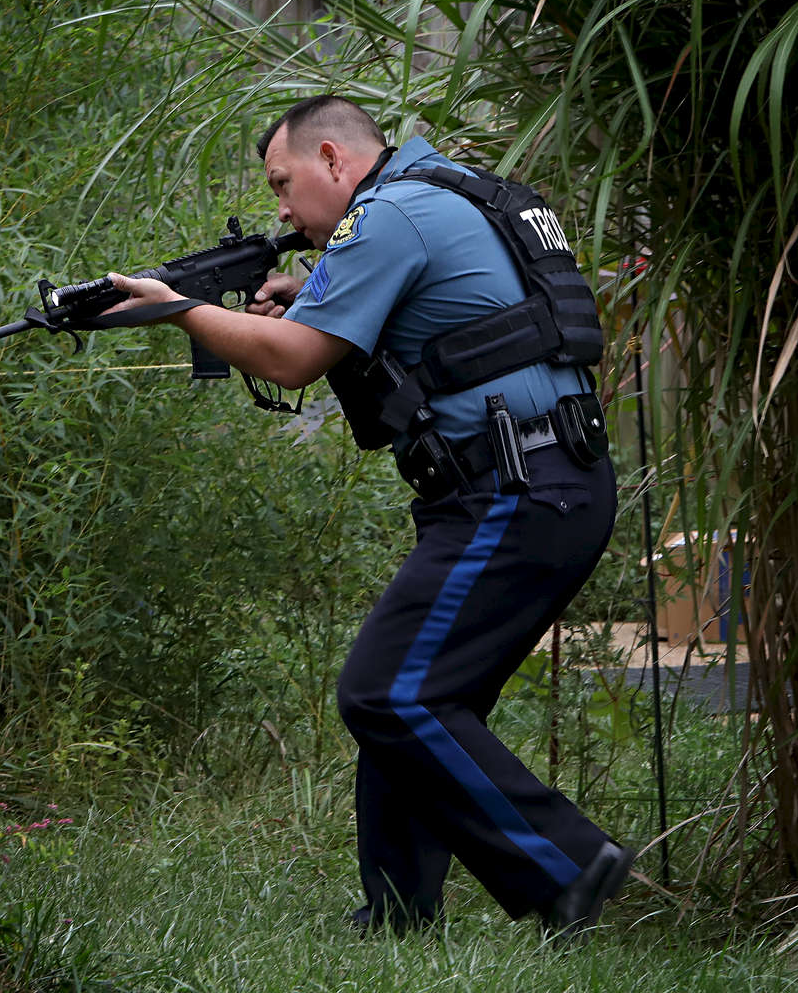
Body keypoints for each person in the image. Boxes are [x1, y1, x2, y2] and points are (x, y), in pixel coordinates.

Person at [104, 95, 634, 938]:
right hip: (538, 480)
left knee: (388, 694)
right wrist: (303, 295)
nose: (281, 208)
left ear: (333, 159)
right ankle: (397, 916)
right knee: (418, 695)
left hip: (518, 490)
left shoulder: (388, 216)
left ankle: (567, 865)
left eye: (284, 182)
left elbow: (294, 362)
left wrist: (176, 306)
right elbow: (419, 329)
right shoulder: (440, 193)